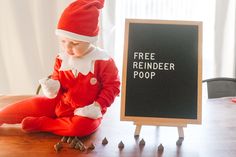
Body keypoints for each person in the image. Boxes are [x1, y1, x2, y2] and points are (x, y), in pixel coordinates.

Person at [0, 0, 120, 137]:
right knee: (33, 105)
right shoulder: (62, 58)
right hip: (61, 103)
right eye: (63, 41)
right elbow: (57, 79)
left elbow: (113, 87)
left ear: (90, 39)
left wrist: (97, 106)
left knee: (80, 128)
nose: (68, 48)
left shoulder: (103, 61)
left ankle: (43, 124)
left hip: (87, 111)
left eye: (75, 43)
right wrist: (52, 86)